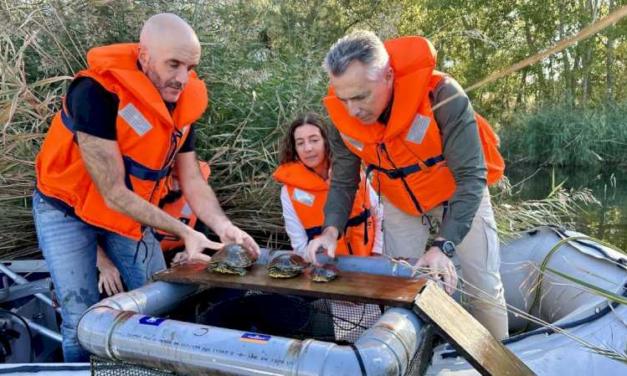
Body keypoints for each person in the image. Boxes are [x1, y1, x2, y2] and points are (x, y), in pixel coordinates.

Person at [32, 13, 259, 361]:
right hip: (66, 209)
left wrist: (223, 227)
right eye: (173, 64)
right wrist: (185, 232)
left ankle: (153, 366)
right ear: (144, 56)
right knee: (81, 317)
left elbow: (193, 179)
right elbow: (112, 191)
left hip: (126, 215)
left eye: (190, 66)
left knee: (163, 296)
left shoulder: (181, 103)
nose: (182, 78)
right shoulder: (94, 93)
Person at [305, 30, 508, 339]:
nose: (353, 110)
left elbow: (471, 179)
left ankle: (501, 359)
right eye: (344, 98)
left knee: (484, 287)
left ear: (388, 75)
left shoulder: (444, 96)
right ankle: (407, 358)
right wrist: (330, 231)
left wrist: (443, 245)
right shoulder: (342, 119)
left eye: (361, 96)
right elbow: (344, 182)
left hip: (457, 195)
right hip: (401, 202)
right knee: (398, 284)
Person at [273, 113, 383, 257]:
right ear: (294, 149)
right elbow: (299, 245)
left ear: (327, 141)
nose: (308, 148)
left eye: (314, 140)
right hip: (326, 268)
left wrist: (377, 253)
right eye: (300, 143)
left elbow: (379, 215)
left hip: (369, 263)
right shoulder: (288, 192)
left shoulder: (353, 174)